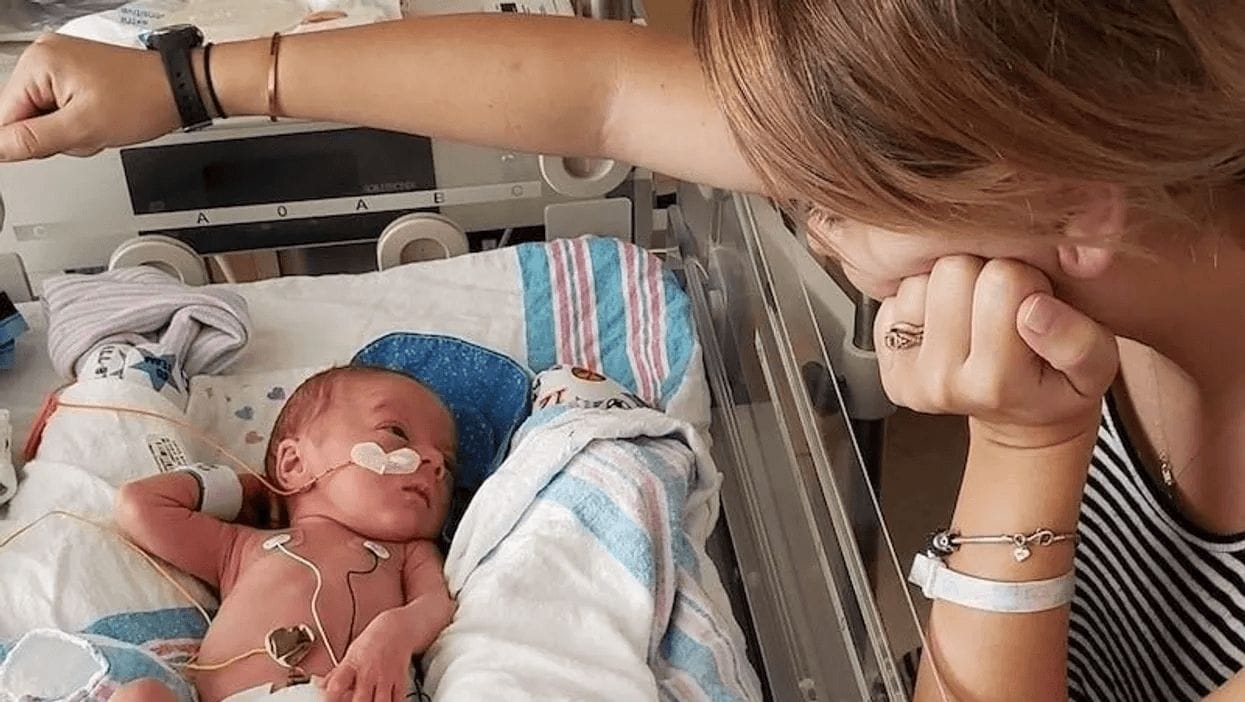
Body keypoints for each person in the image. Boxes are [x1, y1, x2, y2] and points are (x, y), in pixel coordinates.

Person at [0, 4, 1241, 700]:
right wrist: (186, 82)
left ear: (1076, 204)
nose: (793, 208)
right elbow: (600, 93)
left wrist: (1026, 449)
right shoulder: (1131, 189)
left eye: (821, 192)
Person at [111, 366, 457, 702]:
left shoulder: (410, 553)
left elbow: (436, 605)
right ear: (293, 463)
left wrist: (393, 634)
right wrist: (259, 490)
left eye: (449, 464)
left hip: (348, 693)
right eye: (396, 432)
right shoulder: (244, 547)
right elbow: (141, 506)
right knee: (140, 695)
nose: (433, 462)